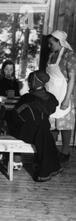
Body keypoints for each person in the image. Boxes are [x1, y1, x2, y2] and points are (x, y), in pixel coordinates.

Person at [7, 71, 63, 182]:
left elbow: (16, 115)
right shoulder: (51, 97)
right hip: (44, 129)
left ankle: (14, 158)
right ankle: (53, 167)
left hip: (29, 132)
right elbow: (51, 109)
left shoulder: (28, 98)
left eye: (30, 80)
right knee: (43, 130)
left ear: (33, 82)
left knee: (11, 124)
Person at [45, 30, 76, 163]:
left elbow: (72, 78)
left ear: (59, 42)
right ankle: (52, 150)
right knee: (52, 125)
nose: (49, 46)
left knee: (64, 126)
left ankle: (65, 152)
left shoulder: (69, 55)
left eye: (51, 43)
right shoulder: (52, 55)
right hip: (51, 95)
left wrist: (66, 99)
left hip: (64, 94)